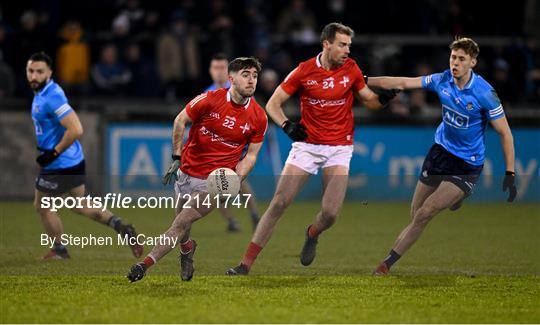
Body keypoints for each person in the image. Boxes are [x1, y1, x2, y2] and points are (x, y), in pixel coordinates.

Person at [226, 22, 399, 275]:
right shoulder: (303, 71)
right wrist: (286, 125)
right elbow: (273, 104)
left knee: (330, 214)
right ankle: (245, 264)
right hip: (307, 146)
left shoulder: (351, 69)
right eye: (342, 44)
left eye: (349, 45)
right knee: (279, 202)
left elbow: (368, 100)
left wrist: (381, 100)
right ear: (326, 44)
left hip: (339, 148)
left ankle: (312, 232)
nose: (347, 50)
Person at [366, 37, 517, 275]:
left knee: (426, 213)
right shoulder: (442, 79)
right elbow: (404, 82)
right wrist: (364, 80)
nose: (455, 63)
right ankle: (456, 199)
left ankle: (385, 265)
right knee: (415, 214)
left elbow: (505, 133)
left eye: (461, 59)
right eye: (453, 57)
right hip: (440, 153)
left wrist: (510, 172)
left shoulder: (484, 93)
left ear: (473, 62)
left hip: (466, 165)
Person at [127, 57, 267, 282]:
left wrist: (236, 179)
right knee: (184, 230)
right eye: (246, 75)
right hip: (186, 173)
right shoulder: (210, 99)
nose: (252, 80)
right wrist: (176, 157)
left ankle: (144, 265)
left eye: (255, 75)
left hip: (213, 182)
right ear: (231, 79)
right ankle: (187, 250)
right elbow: (180, 120)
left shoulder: (258, 116)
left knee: (180, 223)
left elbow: (251, 155)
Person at [27, 52, 143, 259]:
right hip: (72, 160)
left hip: (58, 163)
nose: (34, 75)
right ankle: (120, 226)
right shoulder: (44, 92)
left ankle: (59, 250)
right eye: (31, 71)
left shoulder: (52, 96)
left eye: (39, 71)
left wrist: (53, 153)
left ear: (49, 73)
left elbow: (76, 129)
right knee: (79, 204)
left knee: (42, 206)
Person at [204, 53, 260, 232]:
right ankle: (232, 220)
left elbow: (254, 115)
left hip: (236, 146)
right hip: (214, 148)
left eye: (222, 67)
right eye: (215, 68)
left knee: (238, 183)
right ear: (210, 71)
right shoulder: (208, 93)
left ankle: (254, 216)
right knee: (215, 184)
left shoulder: (240, 86)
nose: (219, 71)